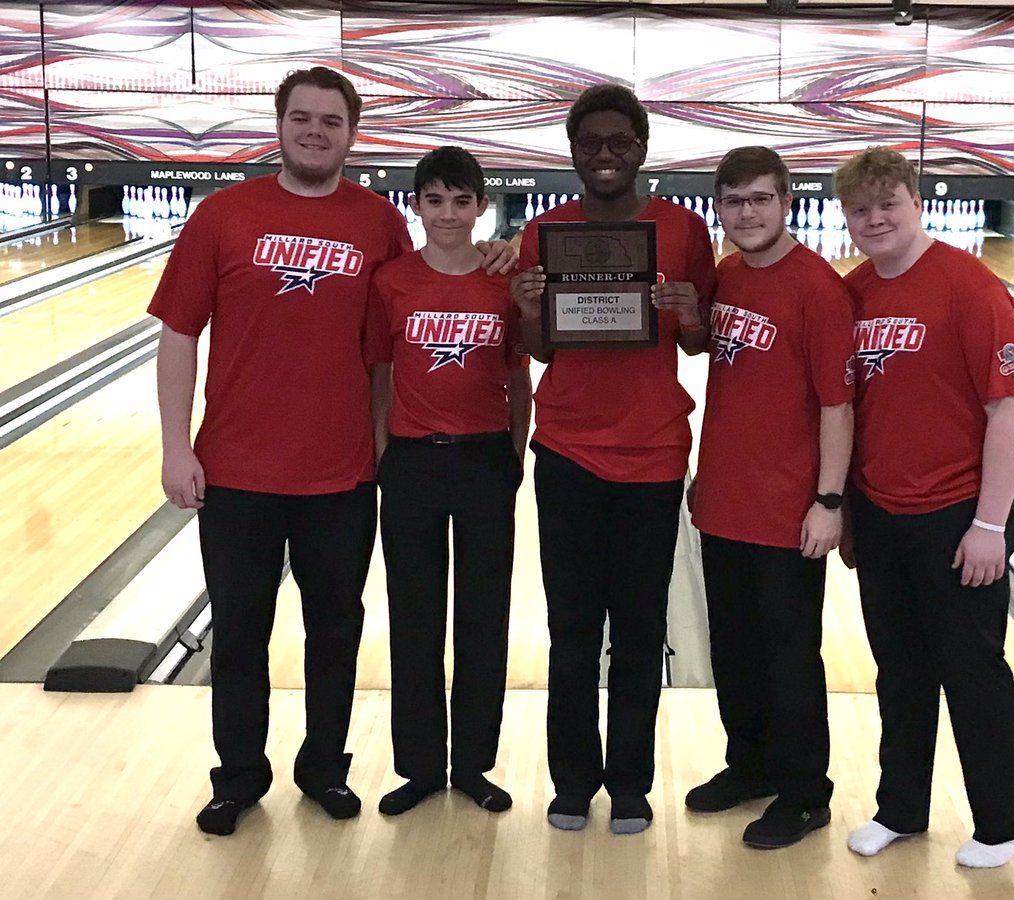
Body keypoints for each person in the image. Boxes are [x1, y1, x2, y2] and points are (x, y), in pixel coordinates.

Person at [151, 66, 514, 837]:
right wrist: (174, 446)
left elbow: (418, 311)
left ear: (353, 133)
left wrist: (498, 257)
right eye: (302, 118)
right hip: (236, 469)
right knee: (241, 635)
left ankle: (323, 769)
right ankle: (239, 777)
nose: (315, 131)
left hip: (345, 471)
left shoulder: (379, 222)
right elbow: (178, 332)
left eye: (331, 121)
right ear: (279, 124)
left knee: (335, 632)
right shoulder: (221, 215)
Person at [510, 84, 716, 834]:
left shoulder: (684, 229)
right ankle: (572, 784)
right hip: (566, 453)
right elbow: (537, 351)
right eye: (589, 143)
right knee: (571, 631)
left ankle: (630, 783)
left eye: (617, 143)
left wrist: (690, 314)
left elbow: (700, 344)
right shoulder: (543, 234)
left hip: (654, 457)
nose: (603, 156)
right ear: (572, 150)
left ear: (641, 148)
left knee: (637, 629)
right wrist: (530, 308)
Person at [834, 146, 1014, 868]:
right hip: (884, 513)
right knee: (900, 669)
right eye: (861, 210)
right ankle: (901, 809)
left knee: (973, 670)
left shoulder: (969, 286)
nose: (875, 218)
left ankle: (1003, 819)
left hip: (958, 514)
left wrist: (989, 525)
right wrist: (853, 511)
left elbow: (1008, 407)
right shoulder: (854, 293)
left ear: (917, 202)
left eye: (888, 203)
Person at [686, 147, 854, 849]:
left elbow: (838, 407)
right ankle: (749, 765)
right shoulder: (726, 277)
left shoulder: (817, 288)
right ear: (718, 207)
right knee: (734, 650)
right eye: (732, 201)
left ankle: (805, 792)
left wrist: (830, 500)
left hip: (789, 510)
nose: (745, 213)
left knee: (789, 655)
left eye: (759, 199)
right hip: (722, 499)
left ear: (786, 200)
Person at [365, 146, 531, 817]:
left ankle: (472, 765)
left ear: (481, 206)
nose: (449, 214)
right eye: (435, 200)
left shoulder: (503, 282)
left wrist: (514, 456)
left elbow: (519, 377)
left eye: (462, 201)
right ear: (418, 206)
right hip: (411, 462)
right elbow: (379, 373)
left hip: (485, 458)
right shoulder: (392, 282)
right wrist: (385, 453)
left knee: (483, 618)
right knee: (414, 617)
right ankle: (421, 766)